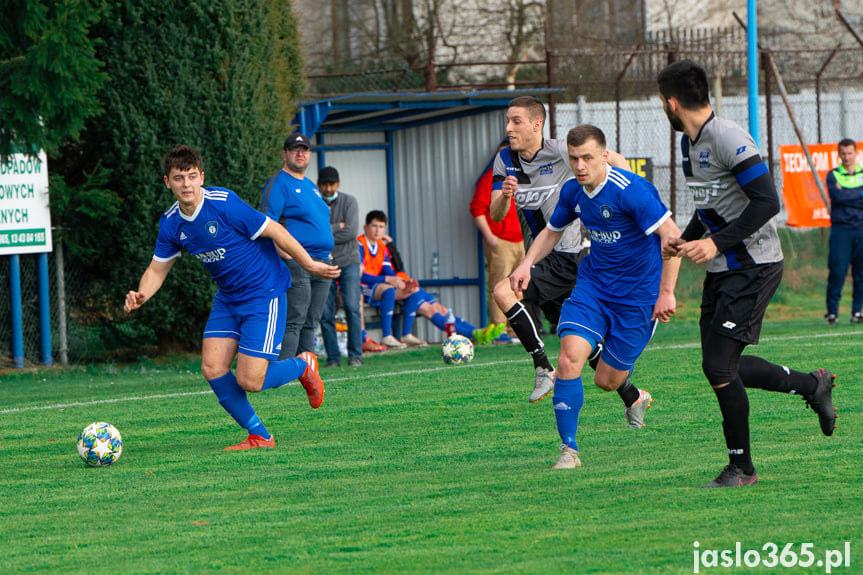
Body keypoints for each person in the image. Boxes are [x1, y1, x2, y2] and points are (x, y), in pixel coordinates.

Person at [657, 59, 838, 488]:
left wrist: (716, 243)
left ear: (671, 102)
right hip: (723, 266)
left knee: (720, 366)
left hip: (754, 266)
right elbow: (711, 205)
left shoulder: (728, 137)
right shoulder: (689, 142)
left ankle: (743, 468)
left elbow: (766, 202)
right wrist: (685, 239)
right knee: (721, 366)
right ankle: (813, 386)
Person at [124, 145, 339, 450]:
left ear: (201, 177)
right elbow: (157, 269)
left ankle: (304, 366)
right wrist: (142, 293)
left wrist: (309, 264)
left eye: (191, 176)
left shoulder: (223, 204)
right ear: (167, 182)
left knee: (251, 381)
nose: (186, 184)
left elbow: (274, 229)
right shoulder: (171, 223)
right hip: (228, 297)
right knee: (212, 367)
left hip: (264, 291)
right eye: (178, 178)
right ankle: (260, 436)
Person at [510, 124, 681, 469]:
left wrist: (666, 293)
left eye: (587, 157)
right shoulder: (573, 191)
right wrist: (526, 263)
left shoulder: (631, 191)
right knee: (568, 358)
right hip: (593, 288)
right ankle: (569, 450)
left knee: (607, 380)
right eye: (574, 158)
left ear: (605, 156)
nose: (580, 165)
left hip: (637, 299)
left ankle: (636, 396)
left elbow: (673, 238)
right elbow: (551, 232)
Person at [491, 96, 653, 433]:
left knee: (503, 293)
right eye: (508, 120)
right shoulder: (504, 160)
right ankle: (633, 396)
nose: (509, 128)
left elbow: (614, 162)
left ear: (537, 124)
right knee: (580, 351)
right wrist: (505, 195)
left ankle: (541, 368)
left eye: (516, 121)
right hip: (537, 258)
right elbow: (496, 214)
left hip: (568, 257)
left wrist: (622, 199)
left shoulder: (563, 152)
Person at [358, 210, 496, 346]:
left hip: (383, 287)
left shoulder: (382, 246)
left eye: (381, 227)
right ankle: (388, 335)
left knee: (422, 297)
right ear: (365, 227)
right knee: (428, 306)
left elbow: (391, 270)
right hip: (363, 287)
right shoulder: (359, 244)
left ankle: (477, 333)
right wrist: (389, 279)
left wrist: (402, 282)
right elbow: (360, 274)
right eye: (374, 226)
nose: (377, 230)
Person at [260, 133, 335, 360]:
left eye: (304, 149)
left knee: (311, 322)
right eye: (295, 149)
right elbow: (266, 224)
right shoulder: (279, 183)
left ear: (310, 155)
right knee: (295, 319)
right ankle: (283, 372)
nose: (300, 153)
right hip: (298, 261)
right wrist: (289, 257)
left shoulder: (311, 187)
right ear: (285, 154)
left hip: (322, 261)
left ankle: (306, 374)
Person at [471, 140, 524, 343]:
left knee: (519, 286)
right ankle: (499, 331)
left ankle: (516, 330)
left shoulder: (521, 177)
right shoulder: (489, 179)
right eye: (502, 155)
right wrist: (490, 237)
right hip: (501, 242)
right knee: (498, 285)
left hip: (521, 241)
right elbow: (476, 208)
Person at [316, 166, 364, 367]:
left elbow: (351, 232)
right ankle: (333, 358)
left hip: (349, 261)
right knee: (325, 312)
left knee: (352, 307)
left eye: (332, 184)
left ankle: (355, 356)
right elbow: (313, 232)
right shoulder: (314, 203)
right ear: (319, 185)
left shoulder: (350, 201)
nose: (328, 188)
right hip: (323, 262)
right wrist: (338, 227)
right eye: (325, 184)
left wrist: (325, 233)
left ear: (338, 184)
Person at [824, 138, 863, 325]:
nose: (847, 157)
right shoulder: (833, 175)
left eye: (850, 153)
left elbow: (842, 197)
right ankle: (832, 312)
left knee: (861, 273)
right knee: (837, 271)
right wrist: (859, 193)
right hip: (841, 230)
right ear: (839, 155)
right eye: (843, 154)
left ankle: (857, 312)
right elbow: (836, 196)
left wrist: (845, 195)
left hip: (861, 229)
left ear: (856, 153)